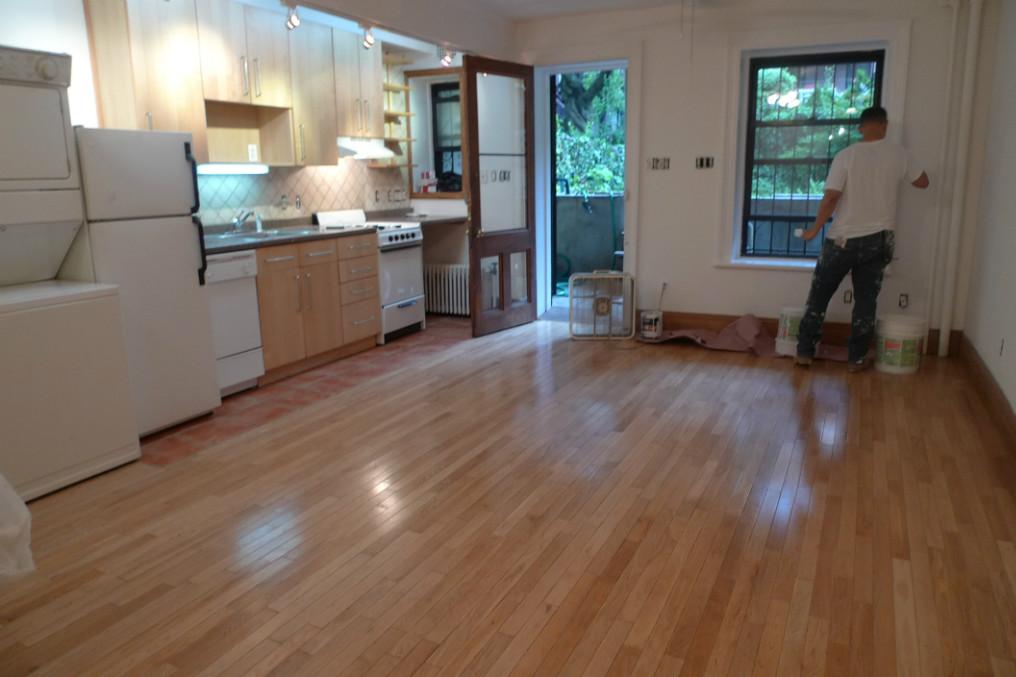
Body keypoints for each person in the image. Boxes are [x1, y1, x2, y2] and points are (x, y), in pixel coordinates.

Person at [795, 105, 929, 372]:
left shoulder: (846, 156)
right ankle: (856, 359)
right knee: (866, 302)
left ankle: (805, 352)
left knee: (819, 296)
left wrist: (813, 230)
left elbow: (831, 197)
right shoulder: (900, 155)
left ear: (861, 127)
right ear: (884, 124)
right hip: (879, 240)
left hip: (842, 239)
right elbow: (923, 182)